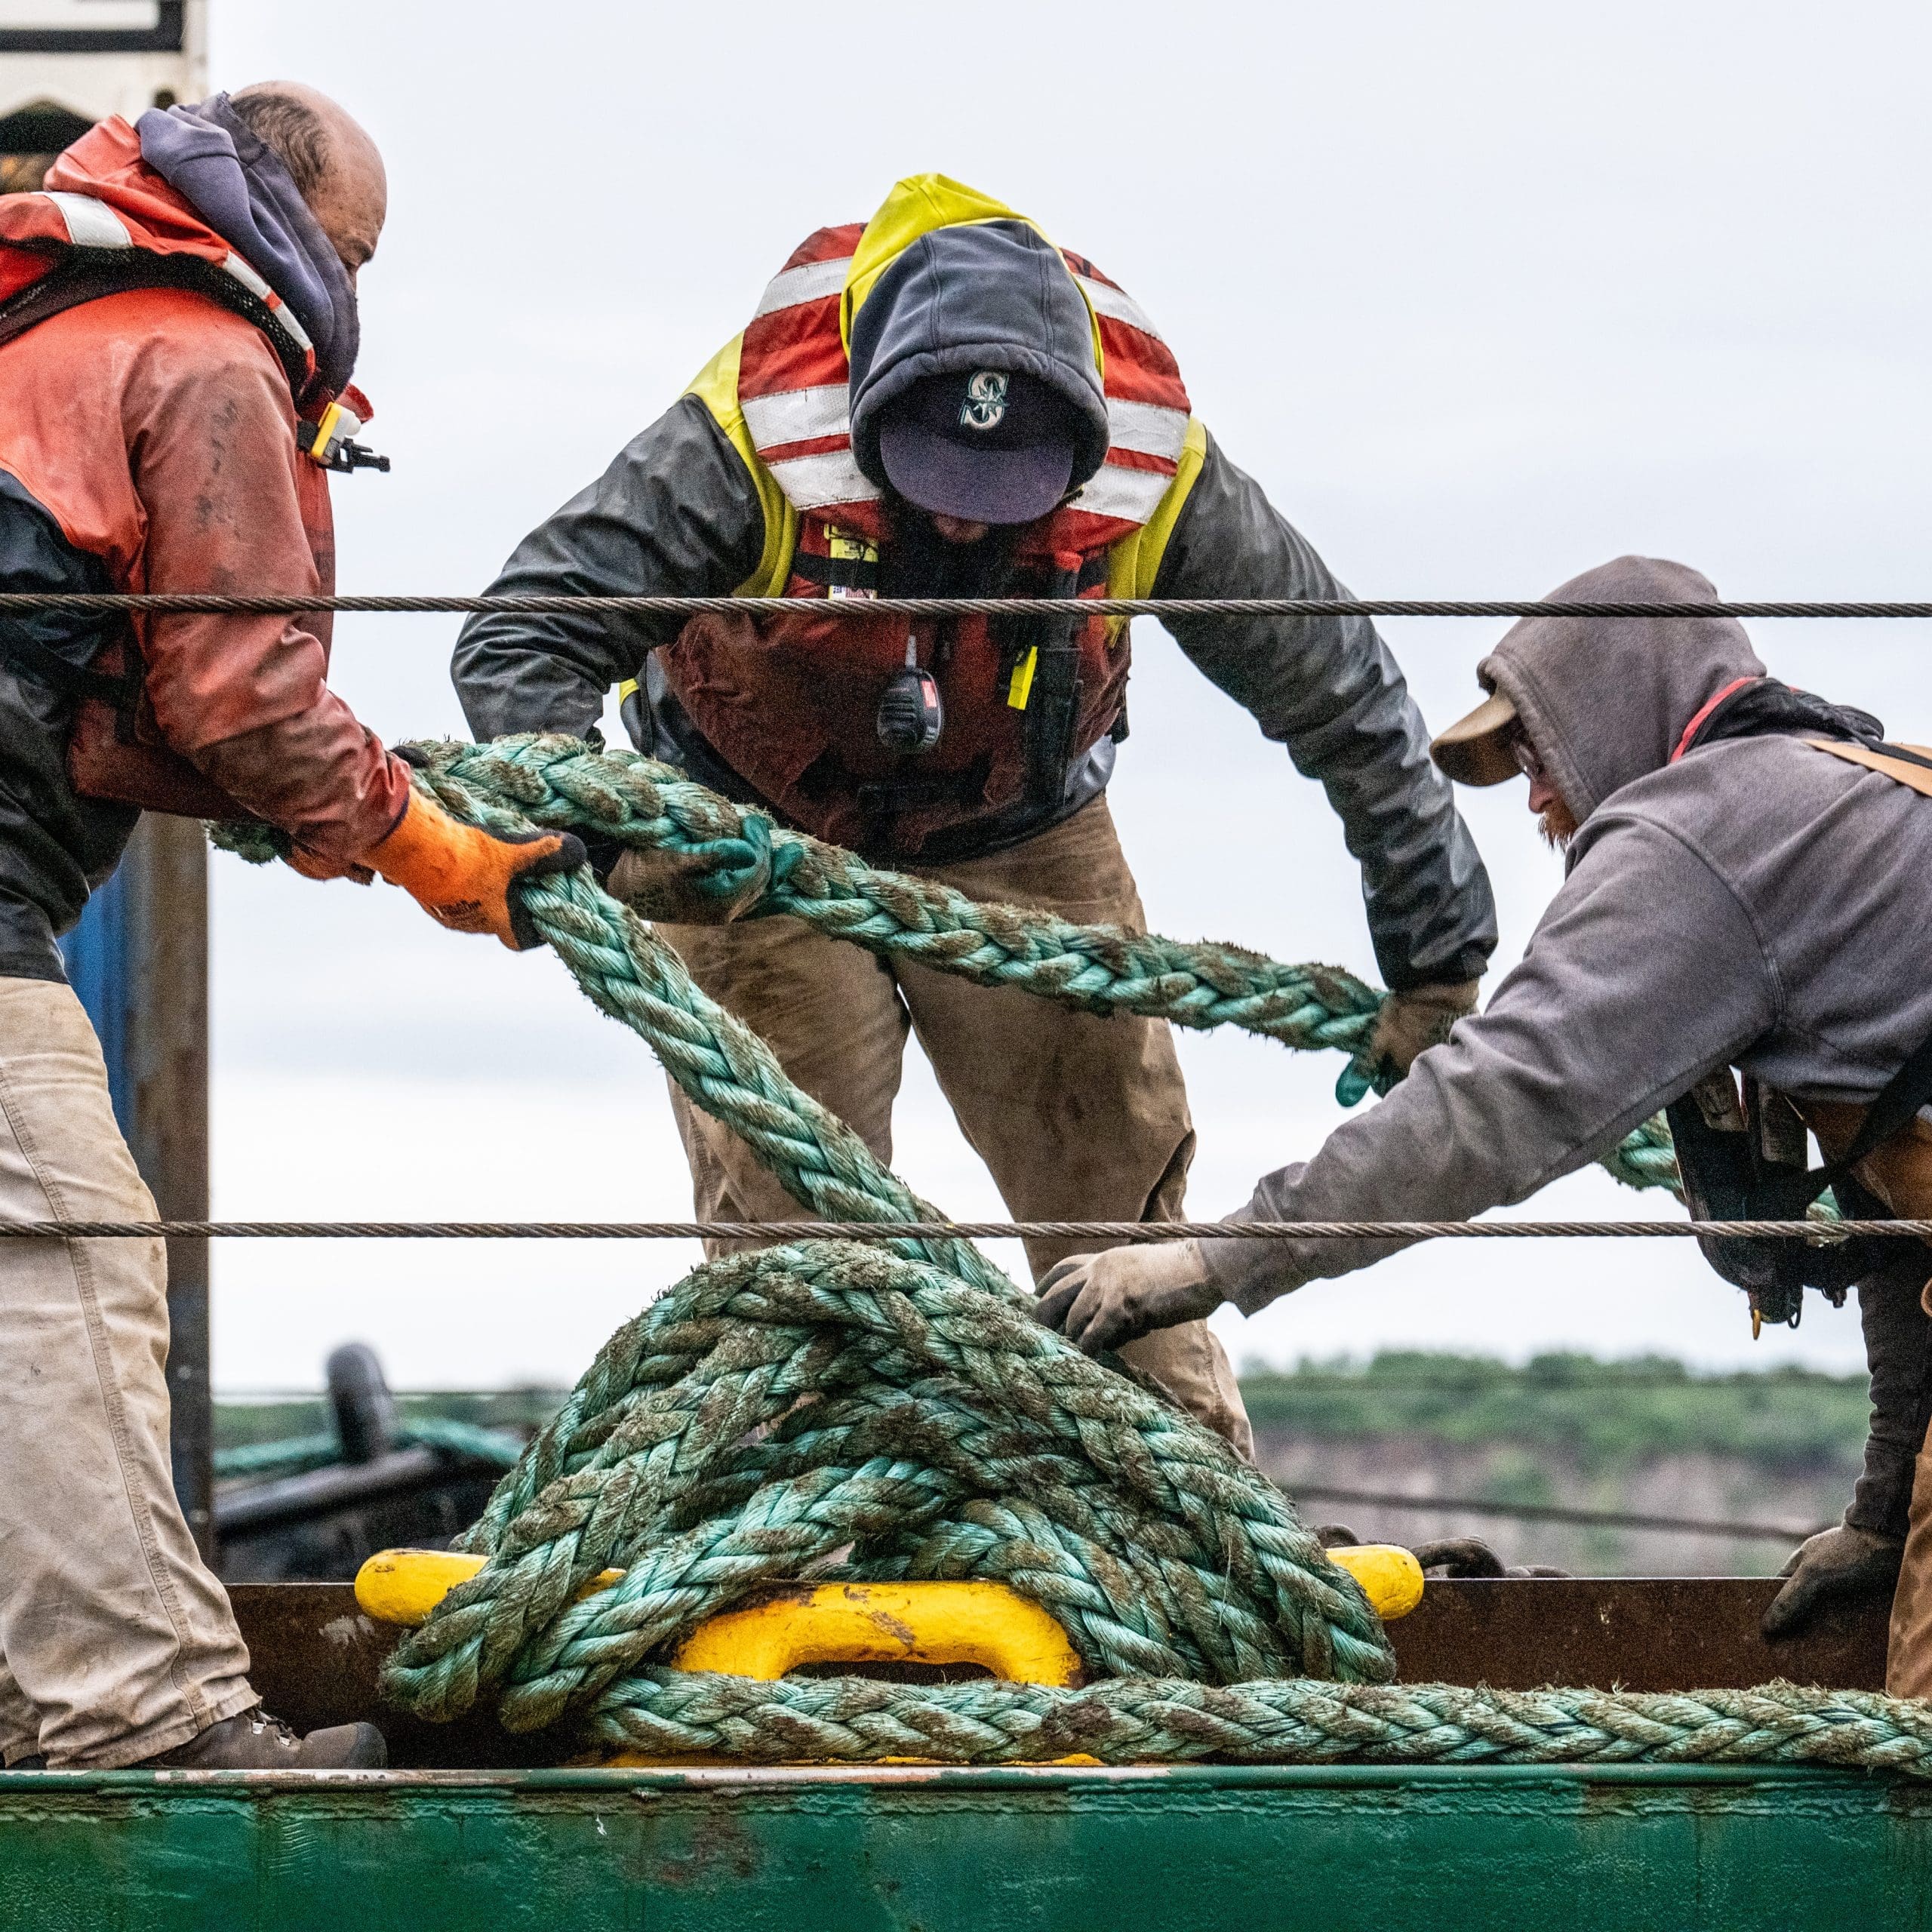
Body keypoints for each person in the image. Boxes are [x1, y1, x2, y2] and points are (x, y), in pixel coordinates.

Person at [452, 174, 1497, 1454]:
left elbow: (1342, 694)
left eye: (1004, 486)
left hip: (1025, 828)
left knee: (1119, 1209)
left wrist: (1437, 954)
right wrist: (619, 834)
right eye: (941, 478)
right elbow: (523, 635)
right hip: (746, 838)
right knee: (795, 1240)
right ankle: (803, 1535)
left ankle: (1179, 1509)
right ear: (868, 415)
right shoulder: (745, 440)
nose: (964, 513)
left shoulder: (1161, 476)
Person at [1038, 552, 1932, 1692]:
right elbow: (1907, 1250)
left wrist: (1218, 1257)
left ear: (1622, 710)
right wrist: (1886, 1513)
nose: (1536, 800)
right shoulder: (1844, 793)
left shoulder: (1698, 838)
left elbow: (1495, 1101)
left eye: (1536, 753)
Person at [0, 86, 580, 1771]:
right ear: (268, 209)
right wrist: (429, 849)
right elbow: (245, 694)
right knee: (64, 1268)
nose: (351, 291)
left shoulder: (43, 324)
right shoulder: (198, 350)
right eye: (352, 252)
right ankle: (142, 1726)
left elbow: (100, 690)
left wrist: (324, 808)